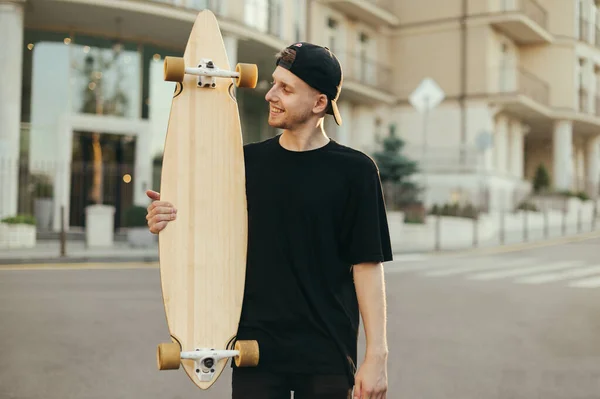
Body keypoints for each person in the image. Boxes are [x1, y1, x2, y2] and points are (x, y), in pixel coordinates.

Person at [146, 42, 393, 399]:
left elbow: (367, 265)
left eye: (286, 89)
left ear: (319, 103)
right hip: (255, 351)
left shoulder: (356, 171)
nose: (270, 95)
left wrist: (377, 356)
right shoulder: (244, 163)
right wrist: (165, 218)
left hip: (327, 353)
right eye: (274, 83)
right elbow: (205, 228)